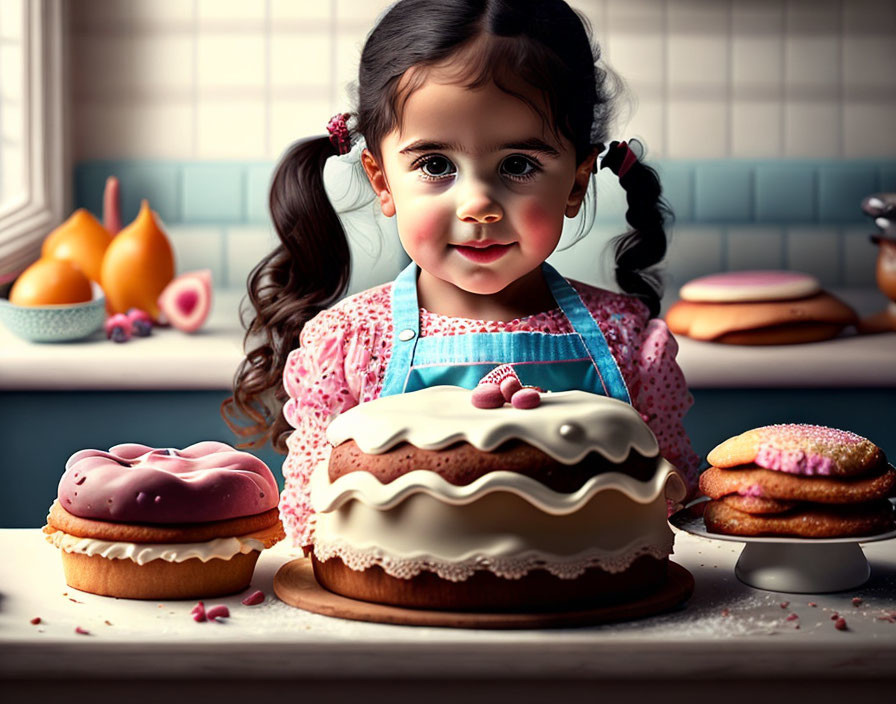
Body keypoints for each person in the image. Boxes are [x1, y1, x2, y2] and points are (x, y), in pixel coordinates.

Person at [223, 0, 700, 549]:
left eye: (519, 165)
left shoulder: (628, 342)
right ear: (382, 181)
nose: (478, 204)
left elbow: (670, 504)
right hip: (391, 614)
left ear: (576, 181)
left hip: (590, 622)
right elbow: (313, 521)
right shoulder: (349, 344)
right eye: (435, 165)